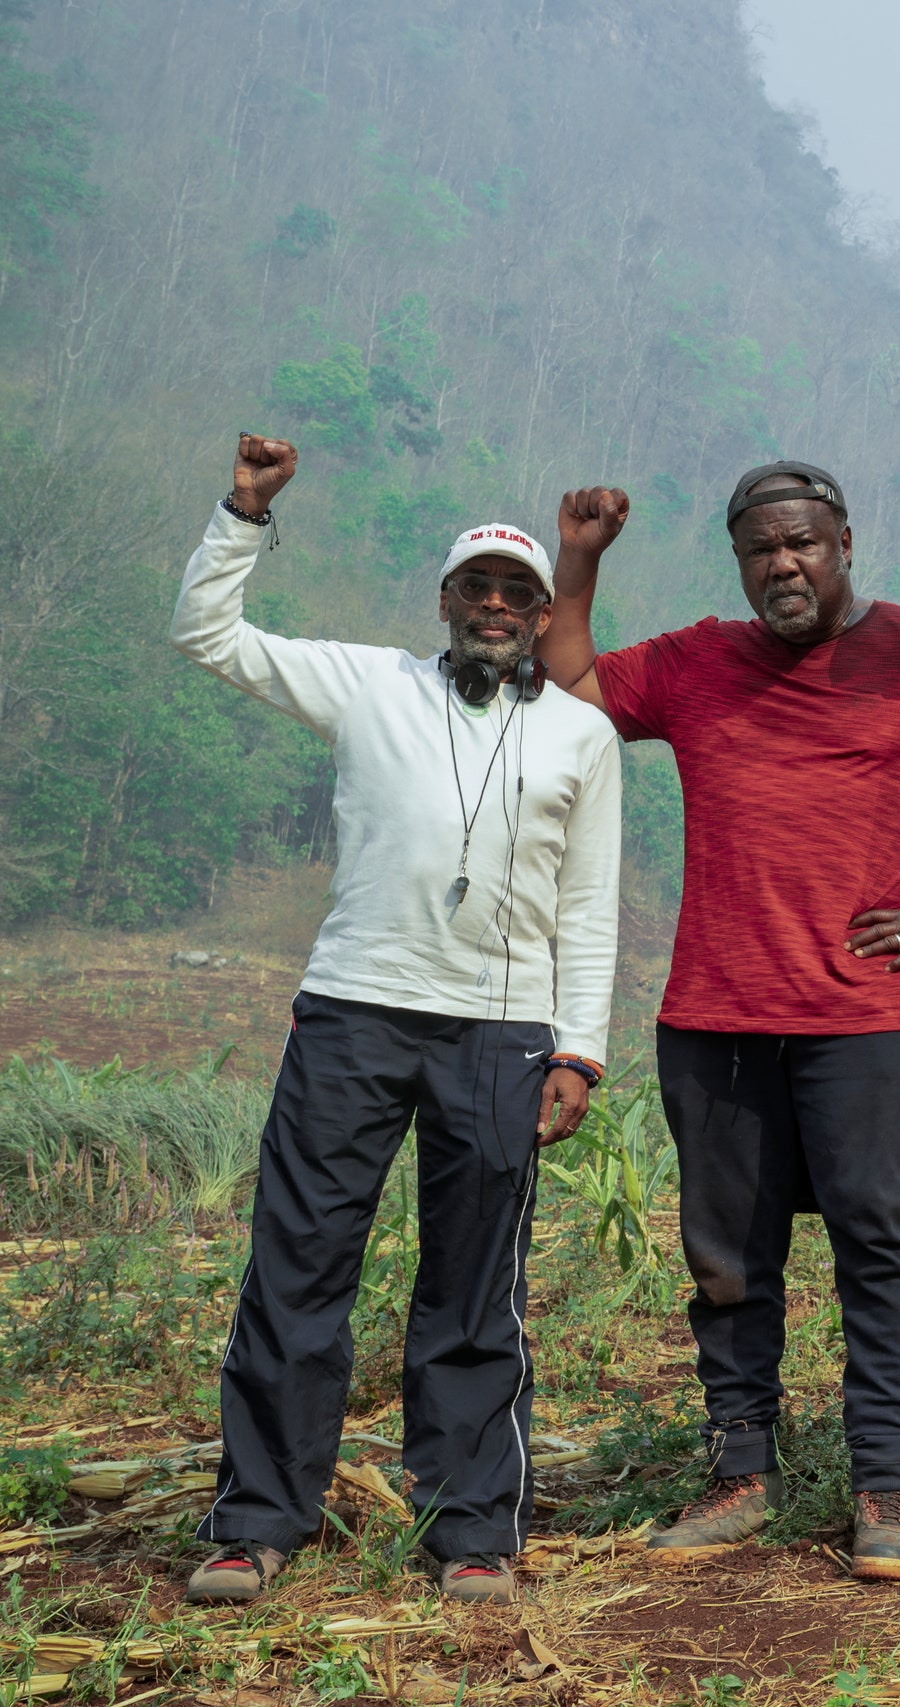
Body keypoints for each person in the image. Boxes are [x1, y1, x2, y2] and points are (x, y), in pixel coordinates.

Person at [535, 463, 900, 1582]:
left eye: (802, 544)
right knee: (728, 1262)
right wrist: (582, 557)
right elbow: (568, 683)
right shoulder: (701, 660)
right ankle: (740, 1475)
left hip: (868, 1020)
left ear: (846, 542)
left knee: (880, 1250)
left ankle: (892, 1487)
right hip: (715, 1016)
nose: (782, 566)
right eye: (760, 549)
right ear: (740, 559)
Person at [173, 435, 621, 1606]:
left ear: (536, 616)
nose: (493, 604)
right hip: (354, 1015)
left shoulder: (582, 734)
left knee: (474, 1288)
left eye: (516, 592)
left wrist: (580, 1048)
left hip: (502, 1032)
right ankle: (258, 1520)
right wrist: (244, 513)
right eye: (475, 585)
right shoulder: (373, 684)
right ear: (444, 601)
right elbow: (208, 638)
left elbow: (589, 905)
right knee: (299, 1266)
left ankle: (470, 1529)